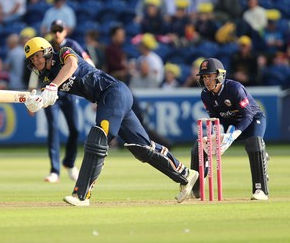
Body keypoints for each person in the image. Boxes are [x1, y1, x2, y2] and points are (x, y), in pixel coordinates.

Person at [22, 36, 199, 206]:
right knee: (142, 148)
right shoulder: (47, 78)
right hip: (108, 101)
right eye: (32, 59)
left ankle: (81, 195)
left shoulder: (63, 53)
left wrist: (53, 86)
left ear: (47, 51)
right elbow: (47, 100)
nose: (36, 61)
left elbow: (72, 64)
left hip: (114, 92)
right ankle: (185, 174)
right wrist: (35, 103)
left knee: (99, 137)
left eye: (37, 56)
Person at [189, 58, 269, 201]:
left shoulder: (234, 88)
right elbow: (215, 119)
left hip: (252, 120)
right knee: (201, 144)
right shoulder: (205, 95)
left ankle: (260, 190)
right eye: (204, 76)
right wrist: (216, 137)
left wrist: (234, 134)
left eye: (210, 76)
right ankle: (196, 189)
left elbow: (247, 115)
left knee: (254, 143)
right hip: (228, 123)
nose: (207, 80)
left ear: (219, 75)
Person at [32, 19, 94, 183]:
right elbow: (34, 73)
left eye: (60, 30)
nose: (57, 33)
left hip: (69, 90)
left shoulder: (71, 44)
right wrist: (31, 94)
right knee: (52, 128)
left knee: (74, 129)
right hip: (49, 91)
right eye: (55, 30)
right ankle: (54, 171)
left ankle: (69, 163)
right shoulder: (45, 46)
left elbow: (86, 61)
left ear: (65, 31)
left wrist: (93, 77)